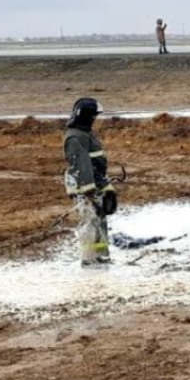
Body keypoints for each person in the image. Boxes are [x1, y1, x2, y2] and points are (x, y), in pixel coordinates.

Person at [63, 98, 118, 266]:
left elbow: (94, 165)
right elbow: (82, 164)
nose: (95, 119)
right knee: (90, 222)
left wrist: (105, 187)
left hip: (95, 184)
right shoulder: (75, 138)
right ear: (87, 116)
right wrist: (89, 190)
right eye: (93, 116)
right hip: (84, 187)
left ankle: (101, 256)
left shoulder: (84, 134)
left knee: (100, 221)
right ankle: (88, 259)